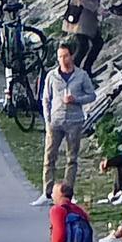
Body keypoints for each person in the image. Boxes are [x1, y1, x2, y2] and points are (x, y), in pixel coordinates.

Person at [37, 45, 97, 205]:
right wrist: (47, 120)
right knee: (49, 157)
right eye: (60, 57)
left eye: (65, 56)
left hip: (74, 121)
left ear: (71, 56)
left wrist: (76, 100)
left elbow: (92, 95)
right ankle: (47, 193)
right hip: (55, 121)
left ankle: (67, 193)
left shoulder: (81, 75)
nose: (63, 60)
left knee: (72, 158)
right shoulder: (52, 76)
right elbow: (46, 99)